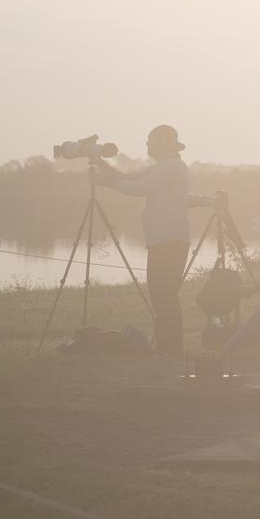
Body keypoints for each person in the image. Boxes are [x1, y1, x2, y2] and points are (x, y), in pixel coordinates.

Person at [91, 125, 190, 355]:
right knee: (160, 294)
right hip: (161, 241)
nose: (146, 144)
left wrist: (108, 181)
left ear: (163, 141)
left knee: (164, 294)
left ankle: (171, 348)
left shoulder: (173, 168)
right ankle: (168, 347)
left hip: (170, 241)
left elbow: (138, 188)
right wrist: (100, 163)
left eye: (150, 139)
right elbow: (127, 178)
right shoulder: (163, 167)